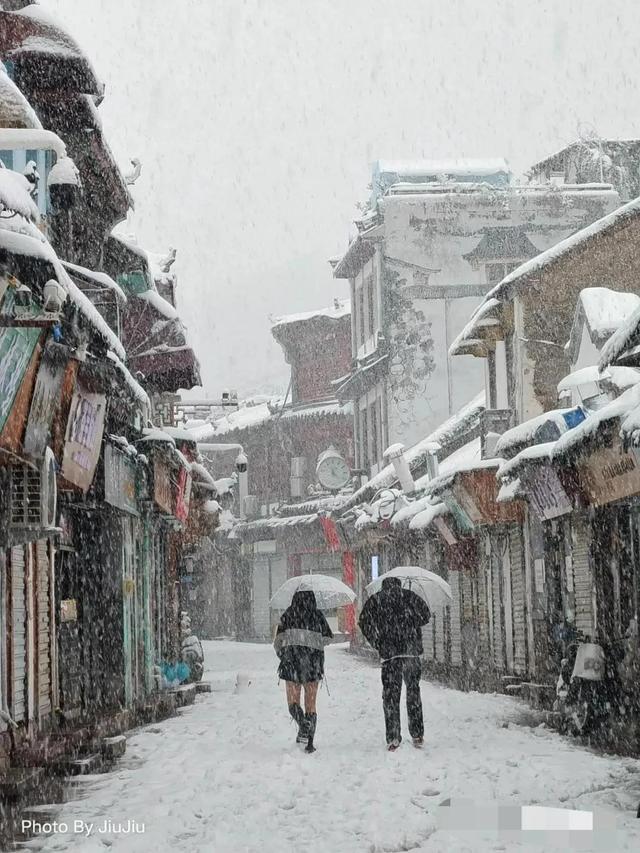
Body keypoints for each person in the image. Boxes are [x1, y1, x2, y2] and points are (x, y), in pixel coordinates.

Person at [359, 576, 431, 751]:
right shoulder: (410, 596)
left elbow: (363, 622)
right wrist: (411, 620)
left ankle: (393, 737)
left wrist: (377, 641)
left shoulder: (377, 599)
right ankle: (417, 734)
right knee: (413, 692)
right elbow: (426, 616)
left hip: (390, 655)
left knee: (391, 696)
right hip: (411, 653)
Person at [274, 590, 333, 753]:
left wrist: (283, 655)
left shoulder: (288, 614)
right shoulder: (318, 615)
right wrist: (314, 642)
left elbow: (277, 641)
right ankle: (310, 742)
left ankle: (303, 725)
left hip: (291, 663)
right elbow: (328, 638)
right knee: (311, 704)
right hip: (313, 664)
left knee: (292, 702)